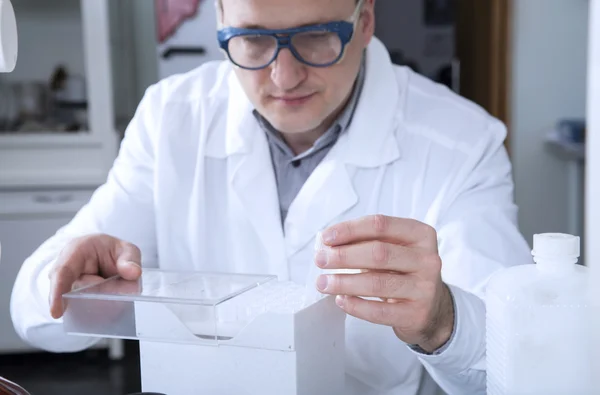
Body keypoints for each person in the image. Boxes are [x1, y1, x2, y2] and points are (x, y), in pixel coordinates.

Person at [10, 0, 531, 394]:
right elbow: (30, 312)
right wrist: (81, 292)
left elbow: (519, 367)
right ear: (220, 21)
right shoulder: (172, 117)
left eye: (317, 37)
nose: (285, 76)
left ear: (365, 20)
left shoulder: (461, 142)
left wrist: (443, 321)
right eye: (253, 40)